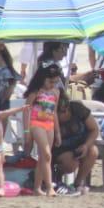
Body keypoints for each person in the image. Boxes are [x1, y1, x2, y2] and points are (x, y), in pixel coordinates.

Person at [23, 65, 63, 197]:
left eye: (55, 82)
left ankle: (37, 188)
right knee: (47, 154)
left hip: (49, 124)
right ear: (43, 78)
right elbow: (26, 111)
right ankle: (50, 187)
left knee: (43, 157)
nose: (53, 84)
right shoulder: (36, 92)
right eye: (50, 81)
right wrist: (26, 132)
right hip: (36, 123)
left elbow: (54, 112)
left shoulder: (56, 92)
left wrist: (57, 132)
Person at [53, 96, 100, 194]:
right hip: (60, 149)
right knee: (71, 163)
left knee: (93, 151)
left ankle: (77, 183)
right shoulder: (51, 117)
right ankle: (57, 176)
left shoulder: (78, 109)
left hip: (80, 144)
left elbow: (94, 129)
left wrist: (86, 145)